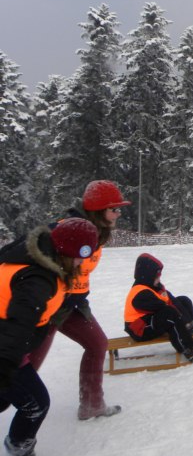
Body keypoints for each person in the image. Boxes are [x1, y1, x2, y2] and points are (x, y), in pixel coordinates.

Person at [0, 218, 98, 456]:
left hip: (8, 344)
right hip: (5, 348)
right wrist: (6, 365)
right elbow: (19, 323)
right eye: (82, 256)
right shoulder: (38, 280)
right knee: (36, 402)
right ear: (68, 251)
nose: (82, 263)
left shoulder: (41, 258)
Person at [28, 180, 128, 420]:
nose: (118, 213)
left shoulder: (98, 232)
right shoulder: (69, 230)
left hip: (73, 303)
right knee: (25, 368)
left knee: (97, 344)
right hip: (49, 305)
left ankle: (92, 404)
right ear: (99, 210)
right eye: (114, 209)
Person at [124, 253, 193, 362]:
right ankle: (188, 349)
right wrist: (185, 322)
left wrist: (189, 323)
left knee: (183, 300)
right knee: (169, 314)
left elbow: (171, 300)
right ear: (148, 276)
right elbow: (163, 307)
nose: (159, 279)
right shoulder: (140, 293)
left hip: (149, 320)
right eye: (157, 277)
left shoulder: (153, 287)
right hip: (139, 328)